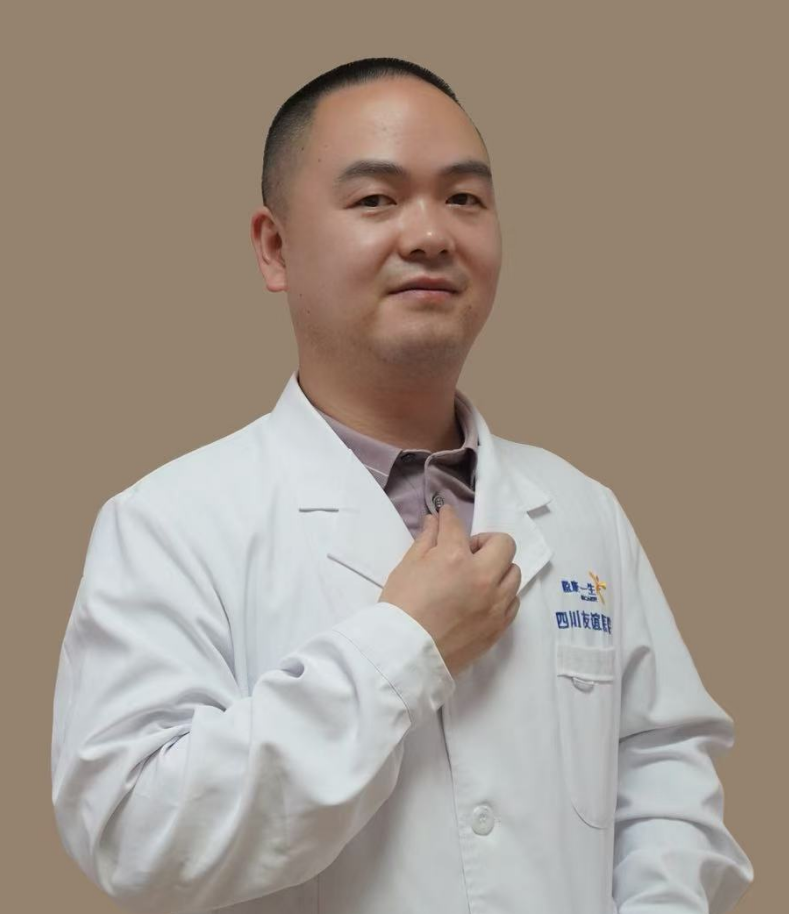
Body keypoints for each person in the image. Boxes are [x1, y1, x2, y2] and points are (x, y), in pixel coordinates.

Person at [50, 57, 754, 914]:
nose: (429, 235)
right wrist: (405, 646)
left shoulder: (580, 509)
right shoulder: (169, 522)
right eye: (376, 199)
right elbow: (138, 835)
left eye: (463, 198)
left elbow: (663, 769)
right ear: (274, 248)